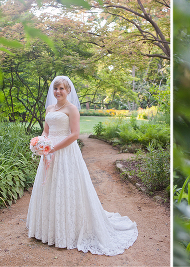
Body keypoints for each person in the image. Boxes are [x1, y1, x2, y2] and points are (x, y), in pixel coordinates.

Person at [26, 76, 138, 256]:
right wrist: (40, 144)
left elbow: (75, 134)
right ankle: (47, 230)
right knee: (49, 187)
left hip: (65, 152)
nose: (58, 92)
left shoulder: (72, 109)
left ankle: (68, 232)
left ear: (68, 90)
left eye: (62, 88)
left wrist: (53, 147)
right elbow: (46, 131)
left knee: (65, 188)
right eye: (56, 89)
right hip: (48, 153)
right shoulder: (49, 108)